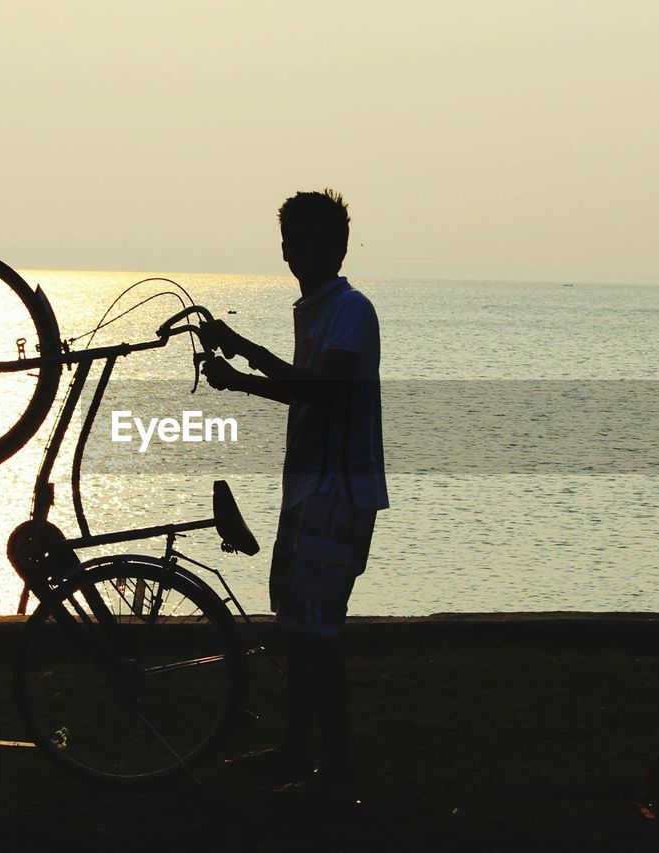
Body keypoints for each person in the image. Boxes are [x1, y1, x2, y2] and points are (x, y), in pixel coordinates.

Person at [200, 189, 388, 807]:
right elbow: (305, 391)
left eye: (308, 240)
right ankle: (299, 751)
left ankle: (333, 771)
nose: (295, 251)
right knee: (300, 626)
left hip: (337, 492)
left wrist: (248, 358)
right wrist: (241, 372)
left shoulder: (350, 312)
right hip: (309, 490)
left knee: (318, 636)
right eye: (290, 241)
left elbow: (327, 392)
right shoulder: (316, 312)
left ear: (335, 246)